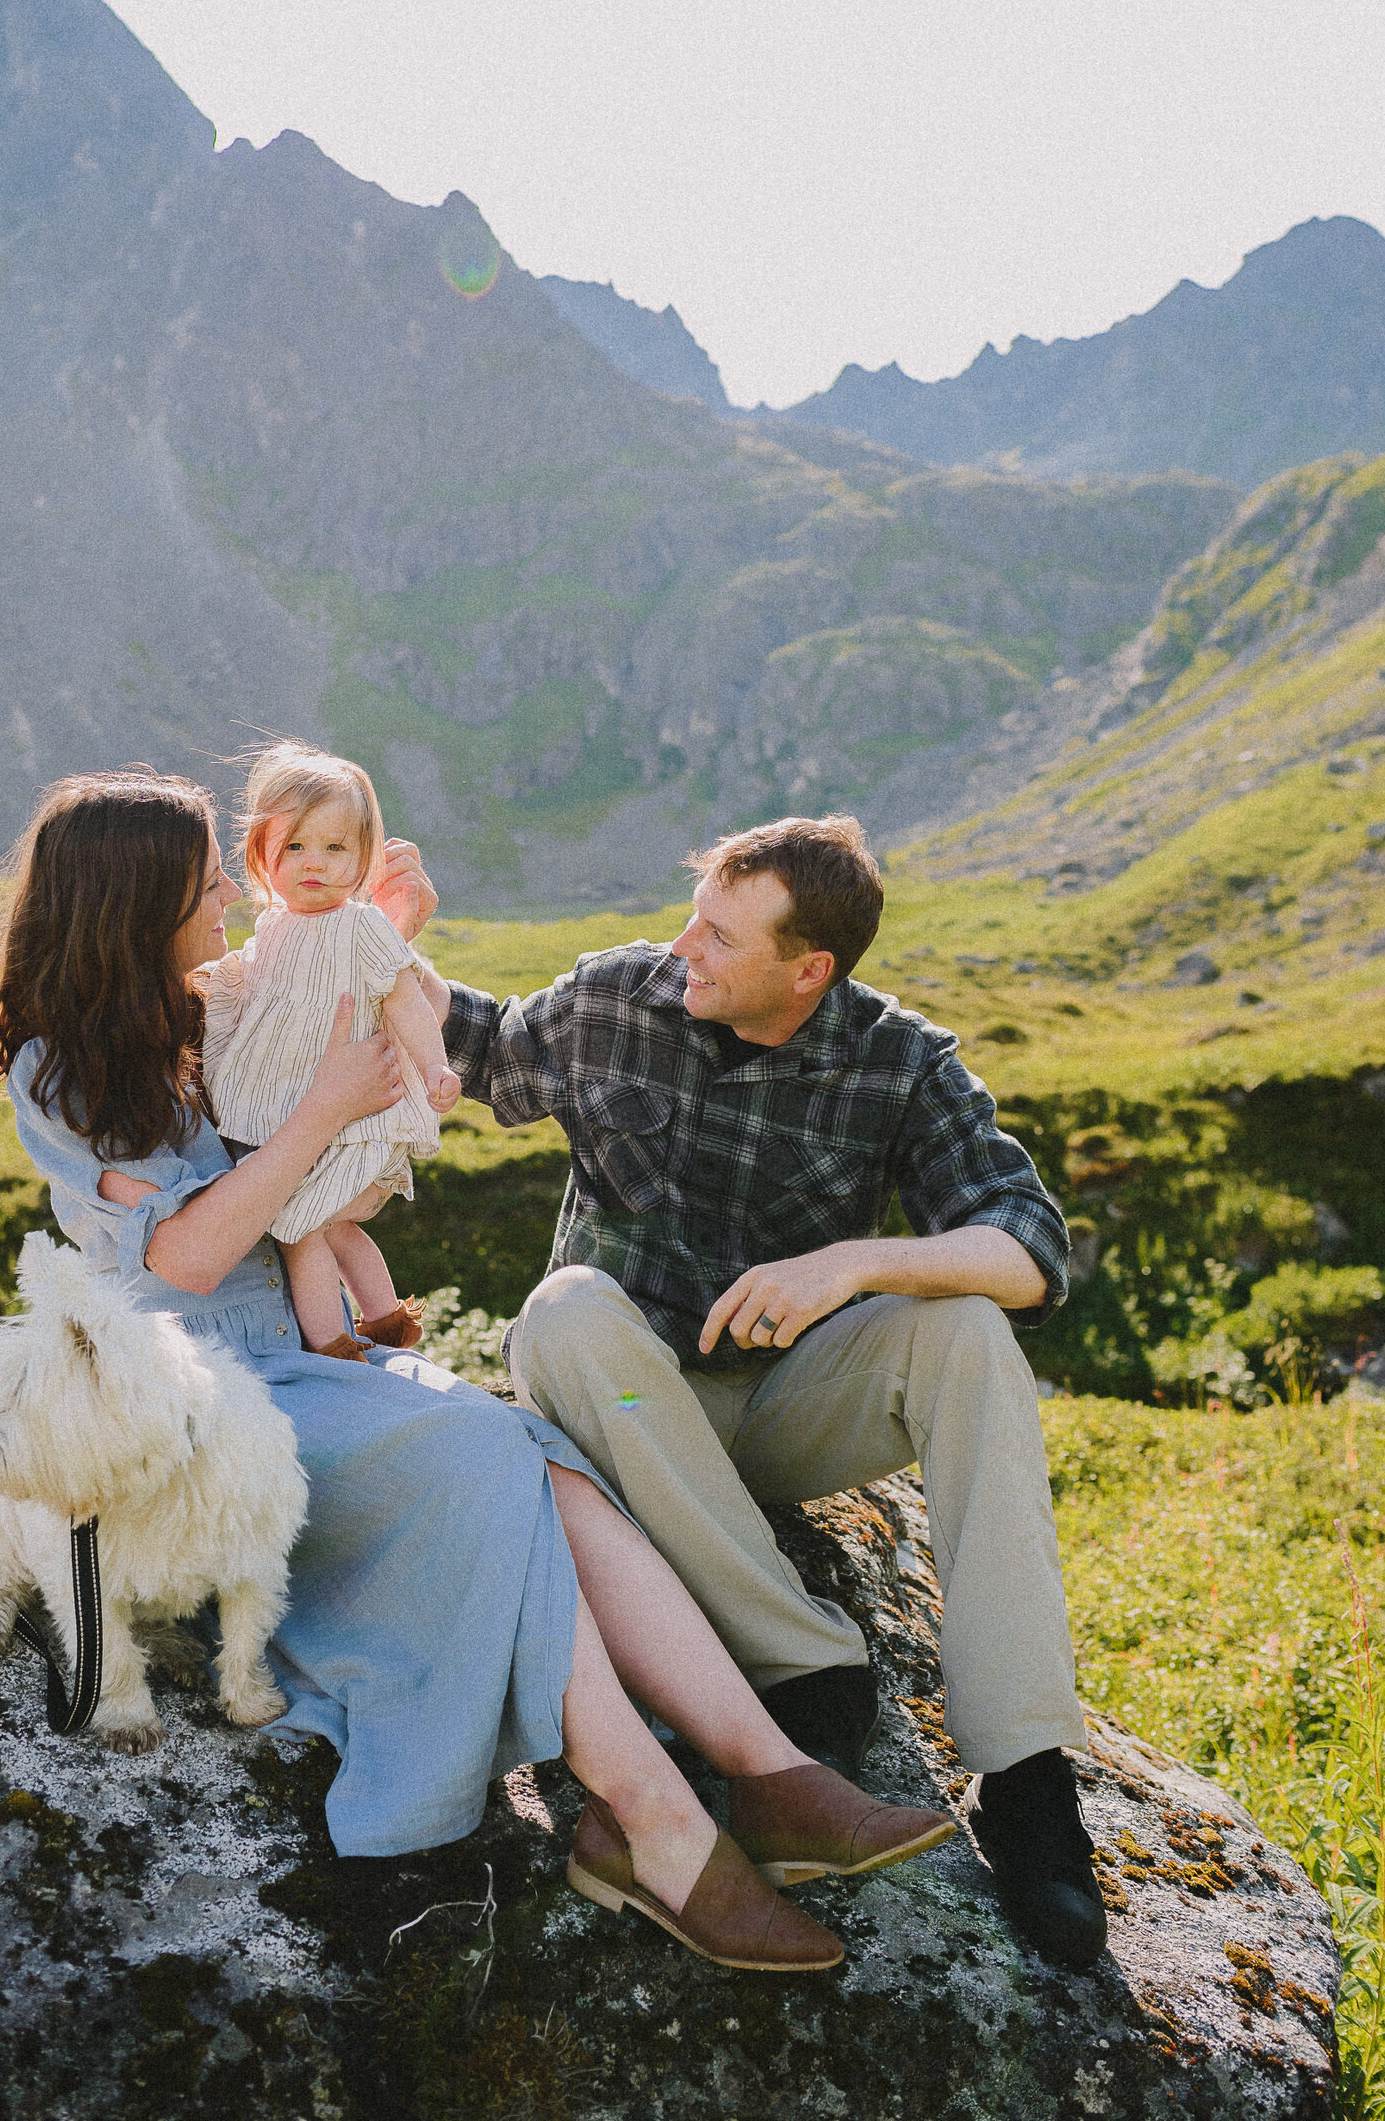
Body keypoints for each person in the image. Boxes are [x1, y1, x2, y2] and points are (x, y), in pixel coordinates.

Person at [0, 768, 957, 1974]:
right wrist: (321, 1109)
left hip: (307, 1367)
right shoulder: (58, 1069)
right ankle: (651, 1820)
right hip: (202, 1398)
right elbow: (183, 1260)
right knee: (490, 1453)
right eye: (202, 884)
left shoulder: (210, 1006)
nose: (230, 893)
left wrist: (380, 930)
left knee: (547, 1471)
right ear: (128, 906)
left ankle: (769, 1775)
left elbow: (322, 990)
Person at [425, 812, 1109, 1968]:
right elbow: (476, 1048)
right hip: (628, 1416)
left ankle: (1029, 1777)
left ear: (809, 970)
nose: (682, 945)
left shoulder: (902, 1061)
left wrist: (851, 1263)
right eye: (693, 913)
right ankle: (808, 1665)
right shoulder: (616, 1000)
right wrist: (349, 934)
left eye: (720, 936)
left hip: (782, 1407)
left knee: (970, 1336)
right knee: (560, 1312)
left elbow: (1029, 1248)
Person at [202, 741, 457, 1359]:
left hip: (344, 1110)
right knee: (329, 1224)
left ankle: (333, 1346)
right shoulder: (270, 927)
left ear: (364, 858)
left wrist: (435, 1067)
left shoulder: (362, 926)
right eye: (294, 846)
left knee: (303, 1227)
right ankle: (385, 1322)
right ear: (262, 853)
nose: (312, 863)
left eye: (335, 847)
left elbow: (403, 1000)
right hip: (288, 1106)